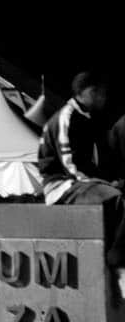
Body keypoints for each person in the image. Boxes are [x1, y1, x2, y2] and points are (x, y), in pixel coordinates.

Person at [37, 71, 125, 285]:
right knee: (117, 199)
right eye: (99, 93)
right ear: (86, 92)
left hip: (81, 183)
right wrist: (106, 184)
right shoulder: (67, 118)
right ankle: (117, 262)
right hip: (63, 186)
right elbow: (71, 164)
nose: (103, 98)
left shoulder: (87, 119)